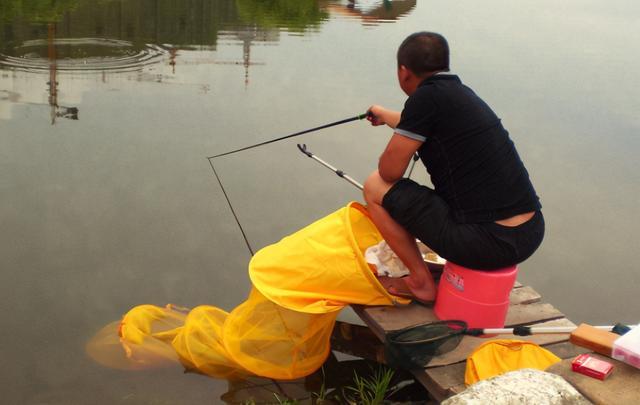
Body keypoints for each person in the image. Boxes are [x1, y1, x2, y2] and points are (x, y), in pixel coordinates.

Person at [363, 32, 544, 304]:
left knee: (375, 186)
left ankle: (421, 282)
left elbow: (390, 173)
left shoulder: (424, 100)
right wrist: (384, 113)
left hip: (486, 242)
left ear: (403, 71)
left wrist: (396, 141)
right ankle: (436, 269)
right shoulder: (460, 94)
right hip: (528, 233)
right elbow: (419, 123)